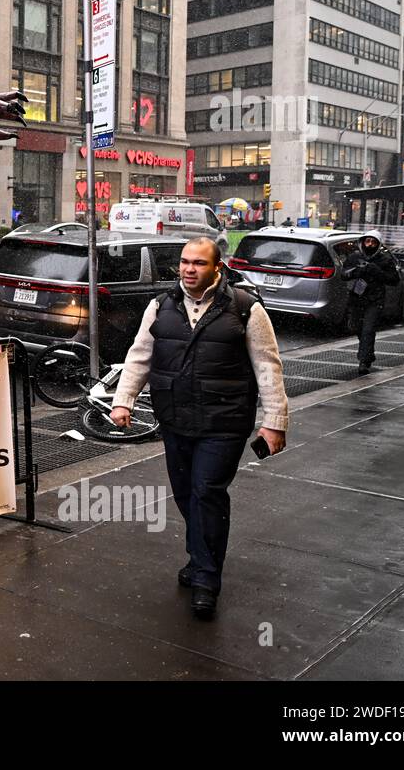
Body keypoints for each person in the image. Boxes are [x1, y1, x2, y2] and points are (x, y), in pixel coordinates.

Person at [110, 237, 289, 620]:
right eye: (185, 262)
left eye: (199, 263)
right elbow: (140, 356)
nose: (190, 269)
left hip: (224, 421)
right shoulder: (161, 306)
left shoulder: (244, 308)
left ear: (216, 268)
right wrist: (123, 400)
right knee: (185, 494)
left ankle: (207, 578)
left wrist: (274, 422)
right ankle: (199, 556)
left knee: (207, 492)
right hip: (176, 417)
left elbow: (268, 366)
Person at [340, 230, 399, 373]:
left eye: (373, 242)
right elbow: (344, 274)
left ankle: (364, 361)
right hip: (356, 299)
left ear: (378, 244)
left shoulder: (385, 259)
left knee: (368, 329)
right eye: (368, 241)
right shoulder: (355, 256)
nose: (370, 244)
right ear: (363, 242)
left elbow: (394, 280)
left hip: (375, 300)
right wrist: (355, 272)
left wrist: (375, 271)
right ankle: (368, 353)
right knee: (357, 328)